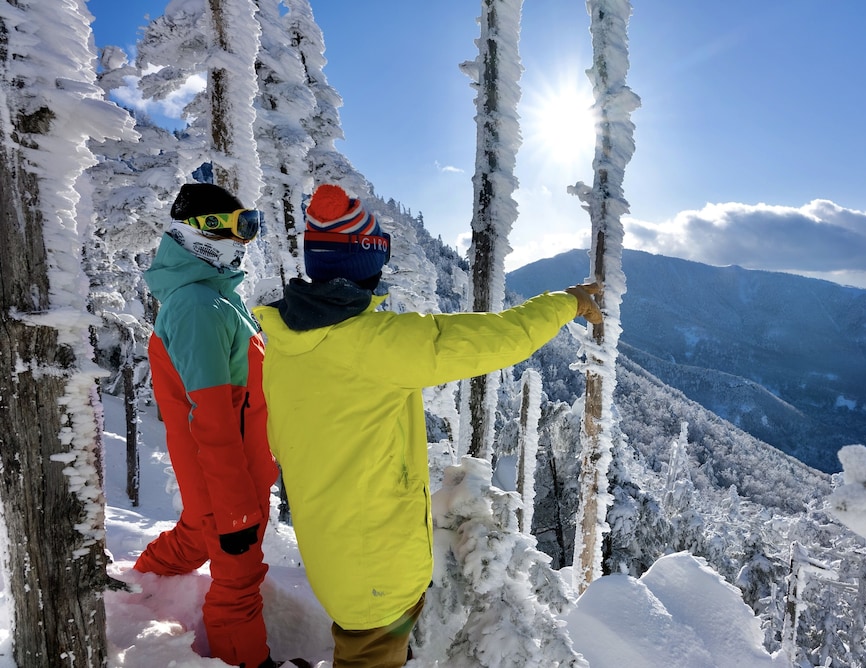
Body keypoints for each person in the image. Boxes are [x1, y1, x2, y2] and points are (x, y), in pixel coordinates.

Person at [253, 183, 603, 668]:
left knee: (361, 648)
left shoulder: (287, 341)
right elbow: (499, 339)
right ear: (365, 265)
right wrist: (567, 303)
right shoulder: (375, 343)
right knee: (369, 658)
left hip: (333, 548)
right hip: (374, 565)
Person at [136, 183, 288, 668]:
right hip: (229, 477)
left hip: (234, 472)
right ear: (203, 231)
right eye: (239, 226)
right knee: (237, 579)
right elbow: (213, 421)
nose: (245, 240)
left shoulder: (214, 297)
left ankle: (138, 582)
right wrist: (236, 506)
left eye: (251, 227)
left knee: (199, 536)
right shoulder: (199, 308)